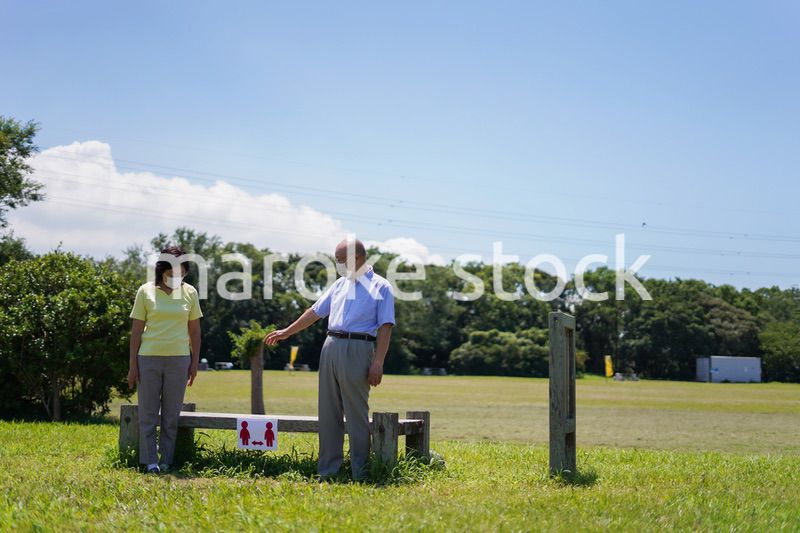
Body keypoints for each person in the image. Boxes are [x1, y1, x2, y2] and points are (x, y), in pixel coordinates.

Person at [265, 238, 395, 480]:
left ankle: (361, 472)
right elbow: (314, 312)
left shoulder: (382, 286)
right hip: (330, 345)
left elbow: (386, 327)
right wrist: (286, 332)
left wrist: (378, 362)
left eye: (340, 259)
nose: (337, 264)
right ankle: (328, 471)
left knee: (356, 413)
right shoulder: (339, 284)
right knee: (328, 412)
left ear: (357, 257)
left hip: (359, 346)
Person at [127, 246, 203, 474]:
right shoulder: (145, 291)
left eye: (184, 271)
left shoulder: (190, 293)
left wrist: (194, 362)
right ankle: (150, 461)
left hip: (179, 360)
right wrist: (132, 366)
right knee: (148, 414)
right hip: (148, 358)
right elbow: (136, 332)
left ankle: (166, 460)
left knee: (171, 415)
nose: (180, 276)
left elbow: (195, 331)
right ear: (163, 269)